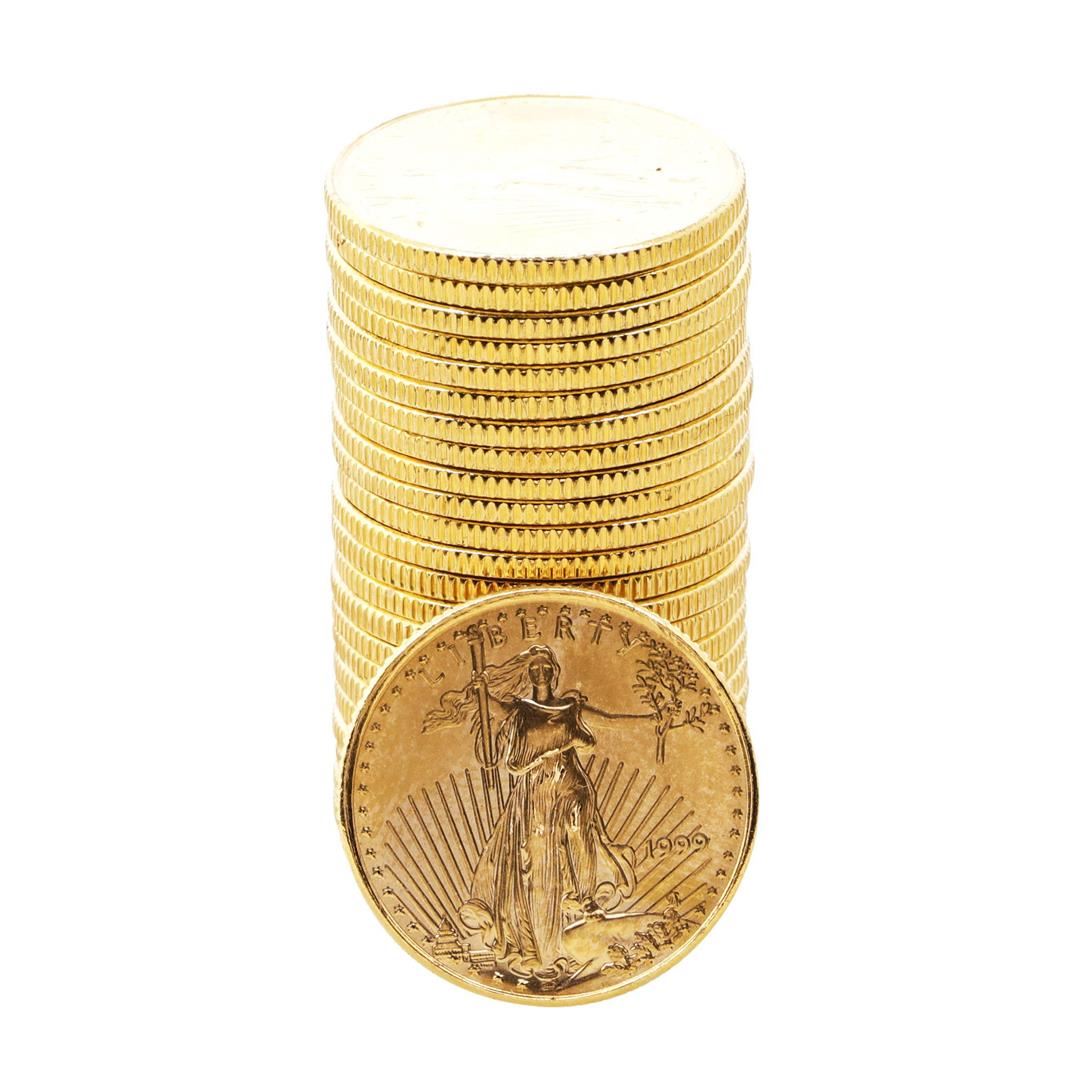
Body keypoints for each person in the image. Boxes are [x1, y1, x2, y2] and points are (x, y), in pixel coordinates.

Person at [425, 644, 650, 979]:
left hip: (570, 785)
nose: (540, 673)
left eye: (546, 667)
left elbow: (611, 722)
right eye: (535, 669)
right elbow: (494, 708)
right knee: (537, 863)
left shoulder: (571, 708)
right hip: (535, 794)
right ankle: (544, 941)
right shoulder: (522, 710)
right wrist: (480, 689)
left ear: (554, 672)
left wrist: (653, 720)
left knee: (578, 837)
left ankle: (583, 899)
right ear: (529, 674)